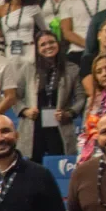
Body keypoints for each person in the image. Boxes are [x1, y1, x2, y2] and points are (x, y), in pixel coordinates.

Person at [21, 32, 84, 162]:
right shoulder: (28, 68)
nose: (48, 46)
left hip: (60, 124)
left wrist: (69, 113)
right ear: (37, 49)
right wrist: (25, 111)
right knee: (34, 167)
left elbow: (81, 97)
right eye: (43, 44)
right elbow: (15, 97)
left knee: (60, 163)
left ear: (58, 44)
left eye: (51, 42)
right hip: (34, 125)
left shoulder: (72, 69)